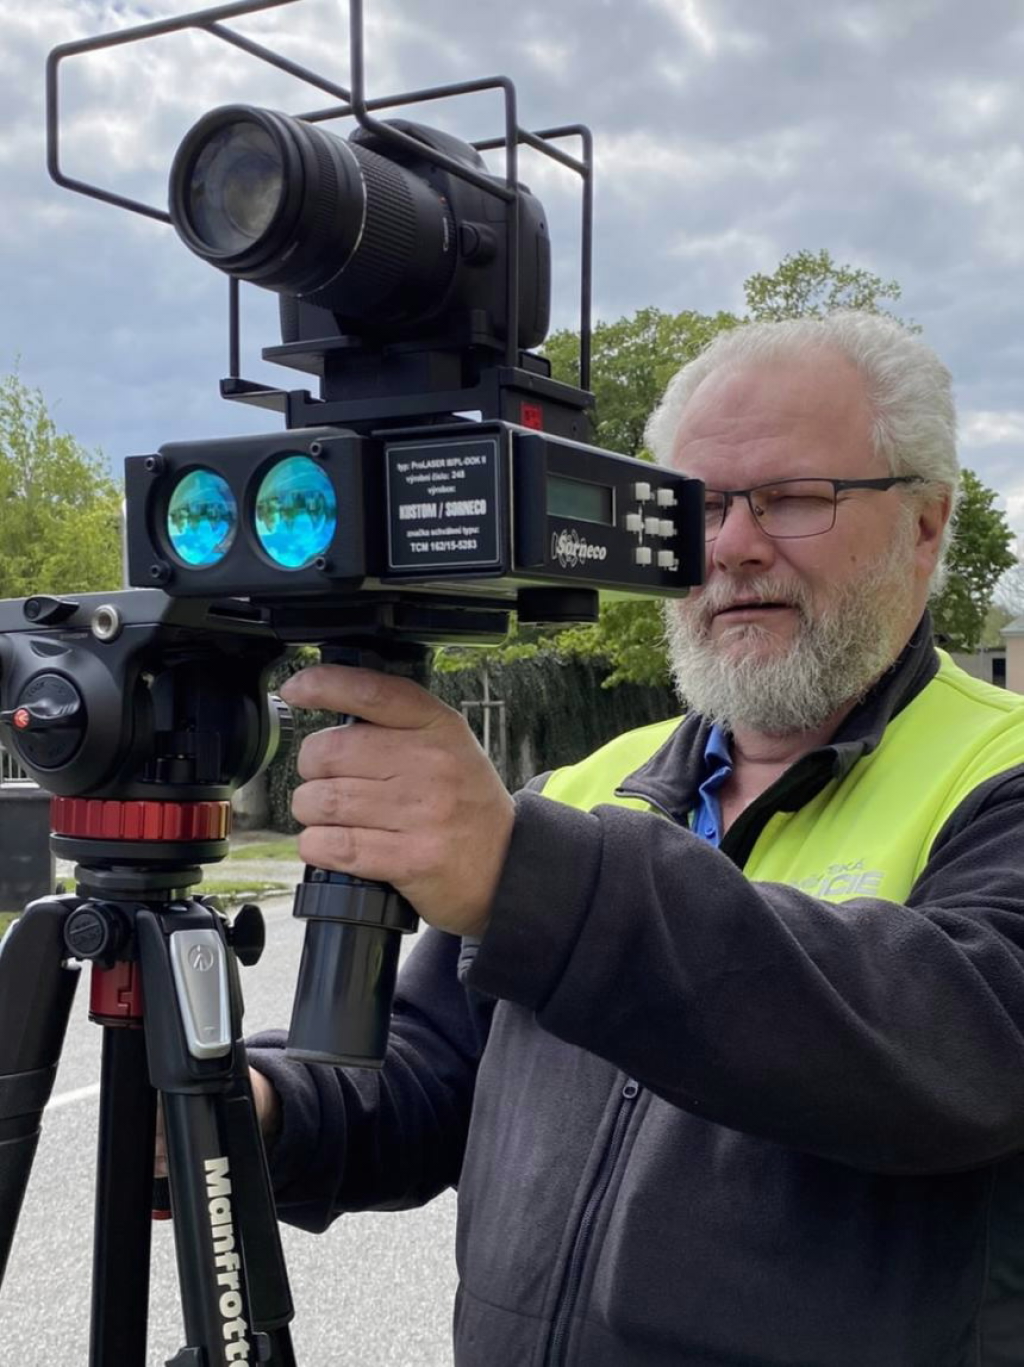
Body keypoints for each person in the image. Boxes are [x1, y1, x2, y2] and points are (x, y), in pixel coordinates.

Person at [246, 310, 1024, 1366]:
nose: (732, 546)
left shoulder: (996, 772)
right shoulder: (583, 786)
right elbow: (431, 1077)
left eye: (793, 498)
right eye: (695, 505)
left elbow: (960, 1052)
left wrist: (530, 874)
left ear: (927, 524)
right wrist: (263, 1110)